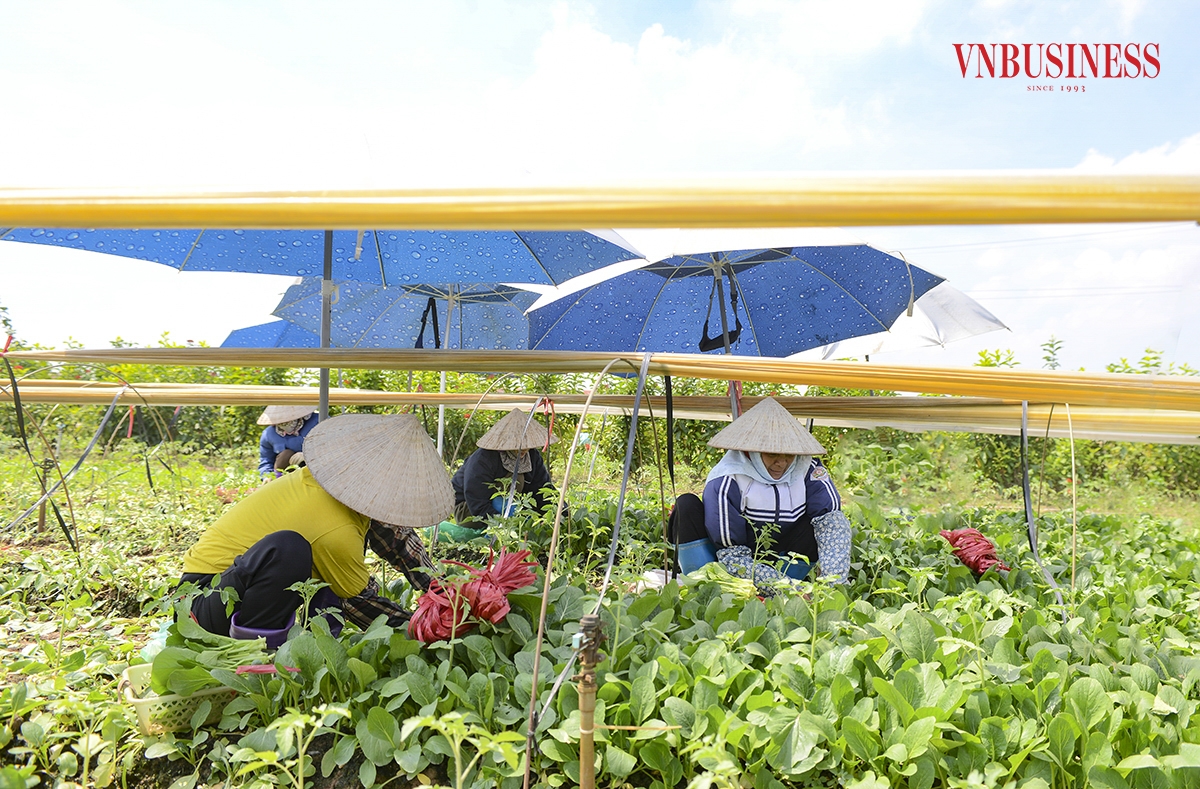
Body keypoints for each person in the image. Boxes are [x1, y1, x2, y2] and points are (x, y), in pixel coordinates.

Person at [180, 413, 455, 646]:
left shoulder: (333, 486)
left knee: (323, 572)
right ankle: (256, 656)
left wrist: (444, 593)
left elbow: (395, 538)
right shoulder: (336, 530)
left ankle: (309, 647)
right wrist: (426, 629)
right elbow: (360, 603)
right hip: (202, 603)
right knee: (291, 550)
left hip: (230, 588)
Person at [668, 397, 852, 595]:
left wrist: (832, 586)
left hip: (783, 556)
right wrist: (791, 590)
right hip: (730, 561)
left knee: (824, 522)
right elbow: (732, 556)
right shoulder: (728, 478)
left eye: (788, 456)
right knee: (685, 505)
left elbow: (833, 525)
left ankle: (790, 581)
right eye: (772, 455)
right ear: (752, 451)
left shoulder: (808, 469)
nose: (781, 463)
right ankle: (704, 588)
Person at [451, 408, 561, 529]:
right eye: (518, 444)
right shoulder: (484, 458)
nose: (524, 449)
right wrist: (502, 525)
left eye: (527, 444)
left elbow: (543, 489)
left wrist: (560, 512)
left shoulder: (533, 457)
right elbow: (476, 499)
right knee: (515, 482)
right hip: (469, 510)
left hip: (509, 508)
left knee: (525, 514)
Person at [257, 405, 318, 476]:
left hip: (316, 470)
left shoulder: (317, 422)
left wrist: (307, 457)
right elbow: (266, 461)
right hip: (286, 475)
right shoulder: (269, 434)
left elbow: (332, 448)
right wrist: (267, 476)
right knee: (285, 455)